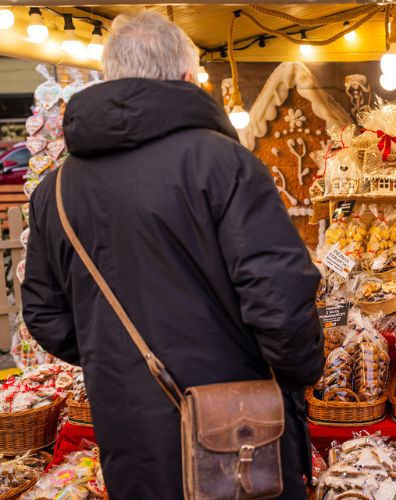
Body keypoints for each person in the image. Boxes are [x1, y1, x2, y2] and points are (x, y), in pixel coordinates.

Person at [21, 11, 323, 499]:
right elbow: (281, 300)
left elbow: (43, 314)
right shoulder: (226, 164)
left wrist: (115, 356)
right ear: (188, 78)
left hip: (129, 430)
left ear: (111, 75)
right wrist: (301, 374)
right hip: (238, 429)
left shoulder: (56, 187)